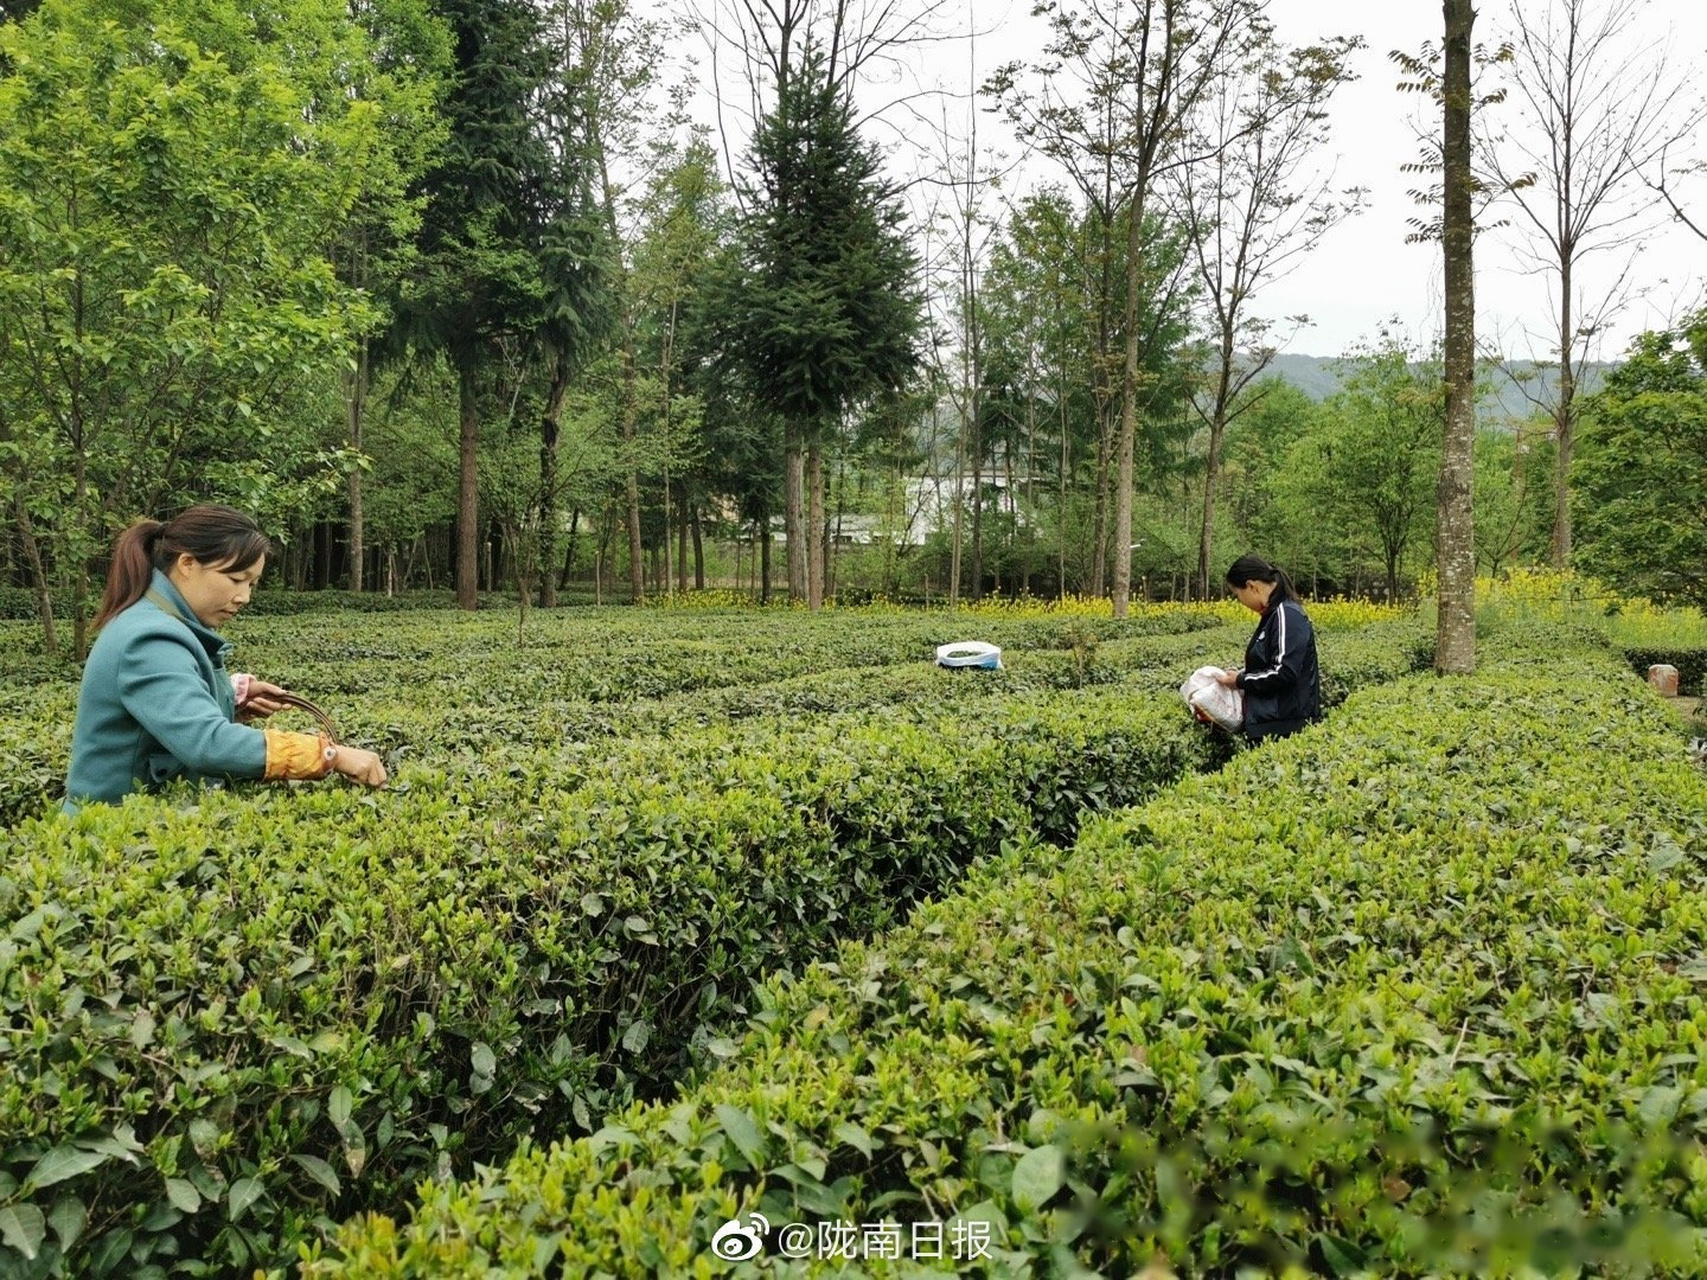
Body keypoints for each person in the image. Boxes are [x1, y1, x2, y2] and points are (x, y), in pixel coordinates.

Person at [65, 505, 387, 809]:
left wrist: (231, 698)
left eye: (252, 583)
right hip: (113, 840)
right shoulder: (149, 639)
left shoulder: (155, 621)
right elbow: (207, 743)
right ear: (187, 564)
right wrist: (327, 755)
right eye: (235, 579)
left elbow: (162, 708)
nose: (244, 596)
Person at [1215, 554, 1321, 741]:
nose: (1241, 602)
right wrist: (1243, 674)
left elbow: (1284, 671)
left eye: (1238, 595)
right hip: (1272, 725)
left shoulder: (1285, 614)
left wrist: (1240, 680)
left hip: (1283, 727)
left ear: (1251, 586)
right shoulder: (1273, 614)